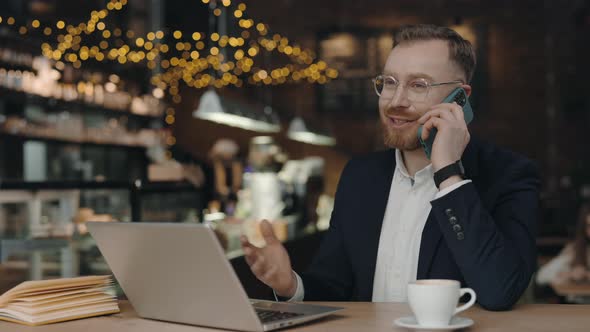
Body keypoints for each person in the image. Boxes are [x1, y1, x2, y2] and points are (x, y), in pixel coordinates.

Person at [240, 24, 540, 311]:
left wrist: (448, 173)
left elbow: (500, 291)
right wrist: (291, 286)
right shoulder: (360, 176)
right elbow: (334, 287)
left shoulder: (508, 174)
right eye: (389, 82)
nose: (396, 100)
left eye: (418, 85)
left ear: (460, 98)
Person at [536, 202, 590, 302]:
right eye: (588, 226)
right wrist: (569, 274)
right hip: (578, 307)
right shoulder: (576, 249)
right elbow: (542, 276)